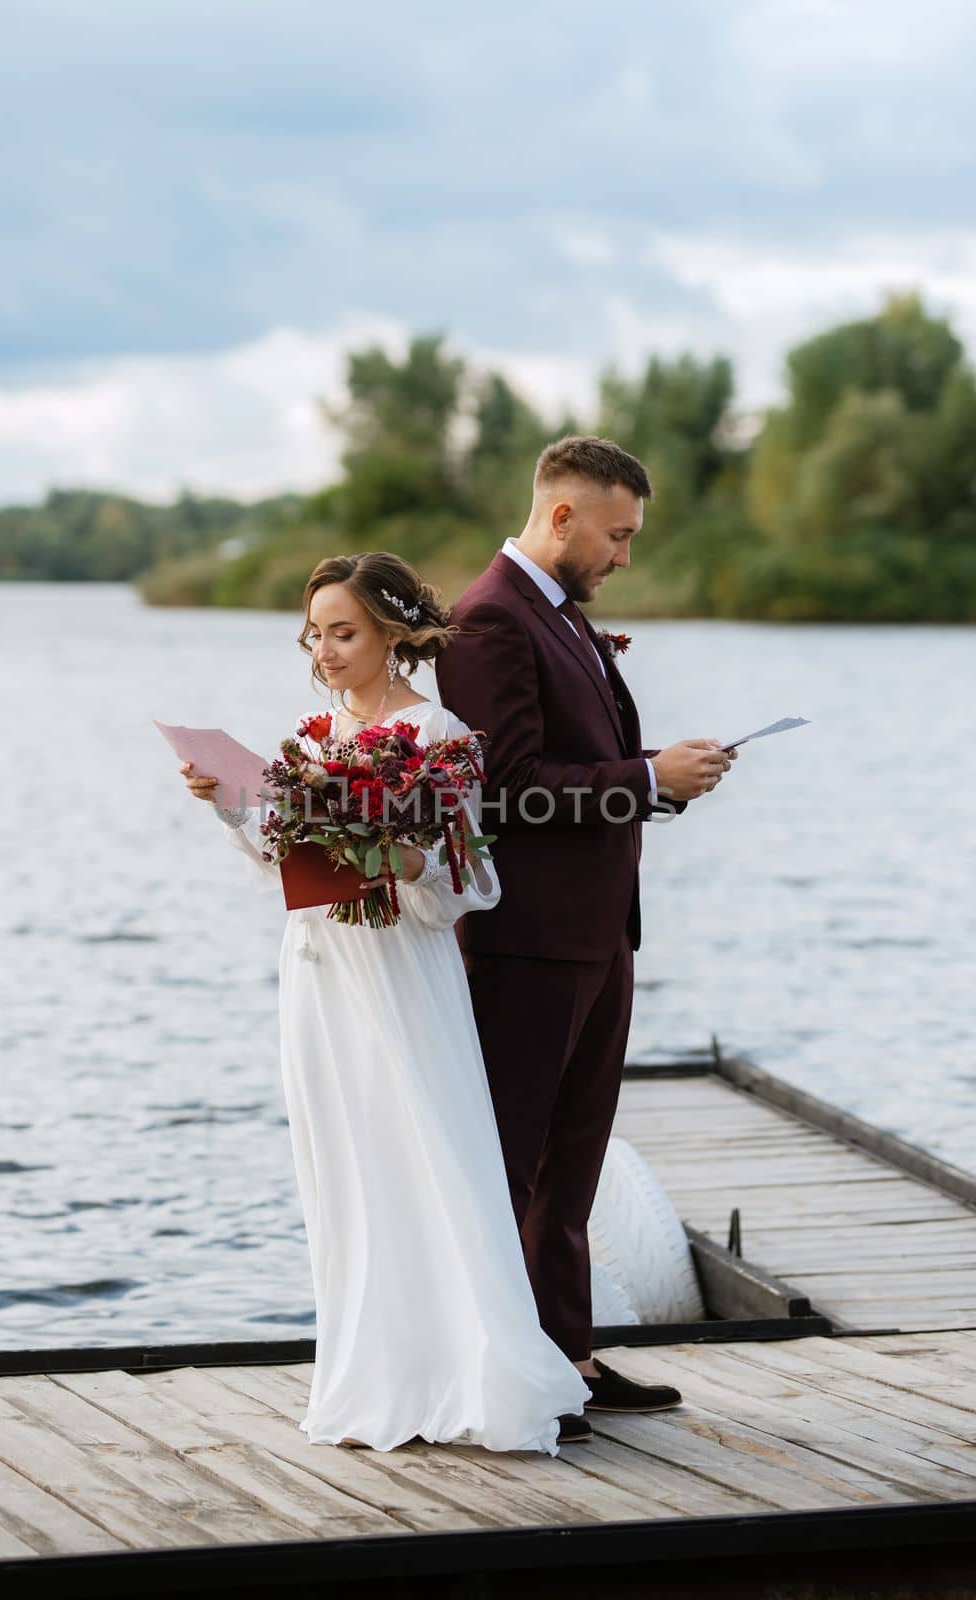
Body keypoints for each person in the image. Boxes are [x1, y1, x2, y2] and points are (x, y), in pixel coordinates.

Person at [178, 551, 591, 1454]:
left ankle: (467, 1372)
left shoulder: (441, 735)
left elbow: (469, 881)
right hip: (320, 967)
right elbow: (283, 866)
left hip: (401, 969)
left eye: (344, 631)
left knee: (425, 1155)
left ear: (394, 635)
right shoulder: (309, 732)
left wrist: (403, 854)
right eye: (314, 633)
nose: (325, 650)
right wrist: (231, 808)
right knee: (345, 1165)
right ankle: (372, 1376)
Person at [435, 435, 738, 1434]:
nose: (624, 557)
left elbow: (572, 763)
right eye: (616, 535)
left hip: (598, 934)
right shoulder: (487, 621)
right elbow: (508, 791)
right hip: (526, 945)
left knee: (573, 1169)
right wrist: (647, 781)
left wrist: (660, 767)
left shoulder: (557, 617)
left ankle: (569, 1362)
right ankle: (511, 1374)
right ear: (561, 517)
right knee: (517, 1167)